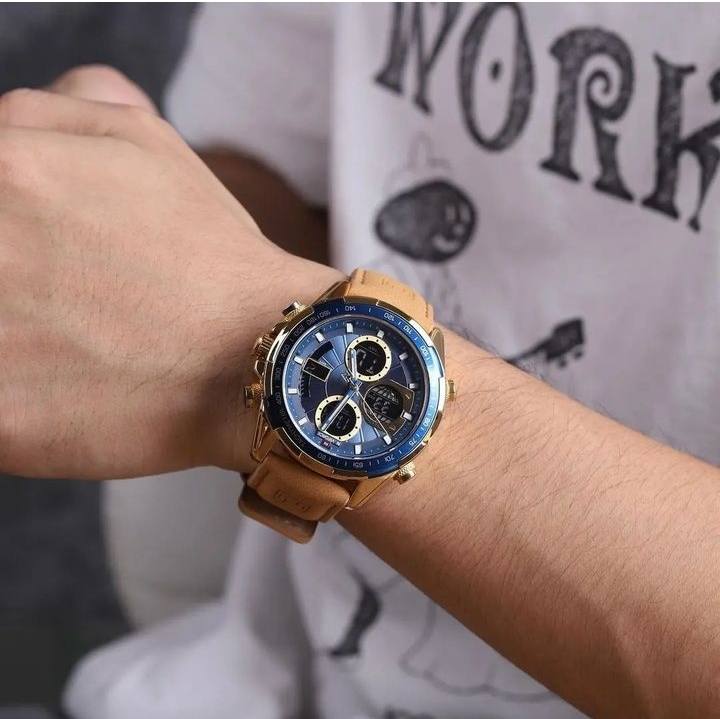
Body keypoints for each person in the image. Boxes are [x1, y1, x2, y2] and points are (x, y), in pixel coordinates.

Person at [0, 4, 718, 718]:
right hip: (253, 677)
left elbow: (238, 309)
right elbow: (266, 177)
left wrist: (229, 329)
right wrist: (125, 188)